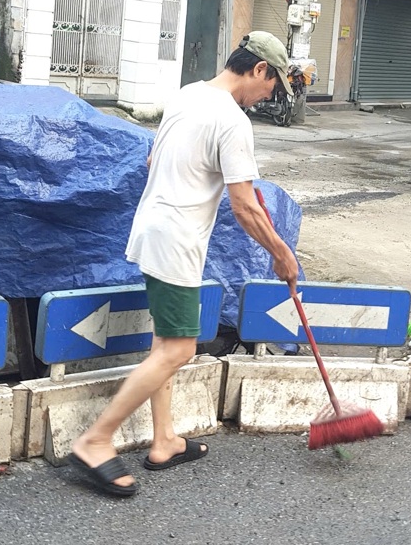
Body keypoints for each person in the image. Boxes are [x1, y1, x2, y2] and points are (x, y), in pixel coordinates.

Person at [69, 32, 301, 496]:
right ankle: (96, 440)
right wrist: (282, 253)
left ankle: (164, 440)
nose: (269, 97)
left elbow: (155, 156)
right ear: (259, 70)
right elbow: (246, 207)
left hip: (153, 229)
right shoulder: (233, 122)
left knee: (164, 342)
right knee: (179, 350)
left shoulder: (188, 94)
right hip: (176, 241)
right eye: (272, 86)